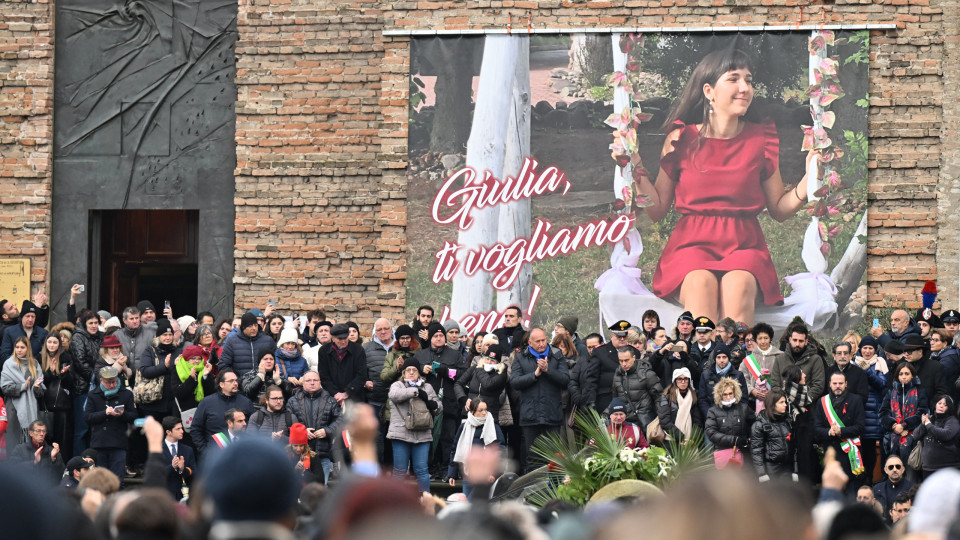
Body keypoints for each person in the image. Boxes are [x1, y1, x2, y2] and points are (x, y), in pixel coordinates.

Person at [627, 48, 816, 324]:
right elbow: (656, 210)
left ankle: (738, 365)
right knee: (701, 286)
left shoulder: (761, 138)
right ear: (708, 90)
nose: (745, 88)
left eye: (749, 80)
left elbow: (778, 209)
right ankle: (701, 365)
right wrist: (634, 167)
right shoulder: (681, 138)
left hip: (744, 245)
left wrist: (806, 183)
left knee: (738, 287)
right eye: (734, 79)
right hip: (691, 245)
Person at [510, 327, 570, 474]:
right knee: (533, 459)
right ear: (530, 343)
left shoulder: (556, 354)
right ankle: (533, 493)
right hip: (531, 416)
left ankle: (553, 491)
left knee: (553, 457)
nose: (542, 344)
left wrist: (549, 370)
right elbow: (515, 382)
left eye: (544, 340)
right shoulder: (521, 357)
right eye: (538, 341)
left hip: (552, 414)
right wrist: (534, 374)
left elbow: (565, 380)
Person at [770, 326, 825, 481]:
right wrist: (787, 401)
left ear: (806, 341)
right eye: (795, 340)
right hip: (783, 416)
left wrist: (802, 400)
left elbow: (818, 386)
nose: (797, 344)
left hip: (806, 416)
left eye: (801, 341)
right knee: (785, 455)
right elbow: (775, 384)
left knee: (804, 456)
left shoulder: (816, 359)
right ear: (789, 340)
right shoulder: (780, 359)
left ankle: (805, 492)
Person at [413, 321, 468, 476]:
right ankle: (429, 468)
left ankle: (446, 469)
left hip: (448, 404)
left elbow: (464, 375)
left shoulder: (454, 355)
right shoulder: (421, 355)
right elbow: (408, 376)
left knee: (448, 438)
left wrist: (447, 371)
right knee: (427, 438)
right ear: (430, 338)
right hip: (425, 406)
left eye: (441, 336)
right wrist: (421, 370)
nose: (439, 338)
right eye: (435, 336)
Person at [387, 360, 441, 493]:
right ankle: (393, 504)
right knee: (399, 471)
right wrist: (415, 391)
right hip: (400, 434)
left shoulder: (427, 387)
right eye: (408, 370)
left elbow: (439, 407)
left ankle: (425, 502)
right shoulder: (397, 385)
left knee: (422, 470)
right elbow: (394, 395)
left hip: (422, 434)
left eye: (414, 370)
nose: (411, 372)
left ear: (419, 373)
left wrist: (433, 405)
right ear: (404, 373)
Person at [286, 371, 343, 484]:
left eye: (315, 380)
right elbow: (288, 421)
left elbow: (341, 420)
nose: (312, 383)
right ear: (302, 383)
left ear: (320, 382)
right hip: (299, 455)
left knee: (321, 490)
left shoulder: (330, 400)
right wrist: (301, 432)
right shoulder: (293, 401)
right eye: (308, 380)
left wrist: (327, 431)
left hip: (322, 453)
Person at [84, 366, 136, 487]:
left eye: (114, 381)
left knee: (118, 481)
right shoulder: (93, 395)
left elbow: (134, 416)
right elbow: (87, 418)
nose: (112, 385)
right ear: (101, 381)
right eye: (108, 383)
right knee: (100, 483)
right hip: (100, 443)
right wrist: (104, 413)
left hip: (119, 443)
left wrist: (123, 414)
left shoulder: (126, 394)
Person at [447, 398, 505, 500]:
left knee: (472, 503)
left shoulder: (493, 426)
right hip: (468, 474)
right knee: (467, 507)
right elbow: (455, 449)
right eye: (481, 410)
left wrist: (493, 473)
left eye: (485, 410)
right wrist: (452, 473)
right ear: (472, 411)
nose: (484, 413)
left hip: (485, 475)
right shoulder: (464, 426)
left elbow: (500, 451)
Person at [815, 372, 866, 487]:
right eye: (835, 383)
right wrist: (829, 432)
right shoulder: (821, 402)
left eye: (841, 383)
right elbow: (817, 429)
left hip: (851, 453)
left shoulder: (856, 400)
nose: (838, 386)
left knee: (852, 490)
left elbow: (860, 427)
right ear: (830, 384)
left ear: (846, 384)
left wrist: (841, 431)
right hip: (831, 453)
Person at [191, 369, 254, 455]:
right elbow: (196, 429)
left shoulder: (246, 402)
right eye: (231, 381)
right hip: (214, 456)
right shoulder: (207, 402)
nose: (235, 383)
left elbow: (253, 428)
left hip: (242, 454)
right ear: (221, 384)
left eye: (236, 380)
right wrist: (205, 452)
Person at [880, 361, 928, 465]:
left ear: (912, 376)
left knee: (910, 474)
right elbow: (883, 413)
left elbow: (923, 412)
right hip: (892, 437)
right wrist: (894, 426)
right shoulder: (891, 391)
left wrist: (905, 425)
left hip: (914, 436)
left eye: (907, 374)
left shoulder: (919, 391)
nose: (904, 377)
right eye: (901, 374)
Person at [69, 309, 102, 456]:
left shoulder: (100, 337)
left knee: (94, 430)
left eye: (96, 323)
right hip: (82, 388)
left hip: (98, 388)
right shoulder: (78, 337)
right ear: (84, 323)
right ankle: (78, 463)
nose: (94, 325)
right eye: (91, 323)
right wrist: (99, 378)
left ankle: (91, 462)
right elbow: (80, 362)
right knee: (82, 430)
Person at [1, 336, 45, 446]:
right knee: (14, 443)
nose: (19, 350)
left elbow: (41, 391)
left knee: (32, 444)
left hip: (32, 409)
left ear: (28, 349)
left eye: (22, 347)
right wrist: (22, 387)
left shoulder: (34, 364)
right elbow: (5, 388)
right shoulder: (9, 364)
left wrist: (36, 387)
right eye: (17, 347)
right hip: (13, 410)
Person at [857, 334, 888, 487]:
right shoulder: (854, 363)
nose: (867, 351)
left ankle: (869, 480)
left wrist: (868, 370)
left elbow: (882, 383)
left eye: (870, 348)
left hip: (873, 414)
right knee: (858, 450)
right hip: (857, 412)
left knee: (870, 450)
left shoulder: (879, 363)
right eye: (865, 348)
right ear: (860, 349)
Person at [137, 318, 181, 421]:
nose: (168, 338)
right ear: (158, 337)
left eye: (170, 335)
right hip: (153, 402)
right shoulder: (150, 351)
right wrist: (164, 366)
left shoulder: (178, 351)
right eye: (165, 335)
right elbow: (145, 371)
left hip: (172, 402)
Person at [609, 345, 662, 427]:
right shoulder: (618, 374)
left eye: (626, 360)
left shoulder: (646, 373)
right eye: (621, 361)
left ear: (633, 358)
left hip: (645, 420)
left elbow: (659, 397)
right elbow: (615, 399)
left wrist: (661, 419)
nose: (624, 364)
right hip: (625, 421)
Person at [316, 323, 367, 405]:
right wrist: (336, 394)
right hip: (332, 398)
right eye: (340, 339)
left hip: (355, 398)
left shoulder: (358, 350)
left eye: (345, 338)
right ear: (333, 338)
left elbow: (361, 375)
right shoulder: (323, 351)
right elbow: (324, 376)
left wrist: (347, 393)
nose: (343, 341)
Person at [39, 333, 72, 455]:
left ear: (59, 344)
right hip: (44, 405)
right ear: (45, 343)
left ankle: (62, 466)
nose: (52, 345)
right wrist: (51, 372)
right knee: (45, 438)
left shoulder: (66, 357)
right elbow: (39, 381)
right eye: (49, 342)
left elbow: (70, 383)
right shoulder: (39, 357)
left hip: (61, 404)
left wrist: (63, 374)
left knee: (62, 439)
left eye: (55, 342)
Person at [456, 344, 509, 420]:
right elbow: (458, 383)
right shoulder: (475, 368)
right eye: (487, 359)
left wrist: (480, 369)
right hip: (470, 412)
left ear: (498, 363)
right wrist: (464, 399)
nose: (489, 362)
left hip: (488, 415)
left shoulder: (501, 373)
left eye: (493, 360)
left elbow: (488, 384)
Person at [750, 390, 794, 480]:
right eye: (781, 402)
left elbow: (794, 447)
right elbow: (756, 451)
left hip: (787, 467)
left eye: (785, 402)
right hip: (770, 469)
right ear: (772, 404)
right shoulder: (759, 424)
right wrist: (762, 474)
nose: (785, 405)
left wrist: (795, 470)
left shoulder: (787, 420)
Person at [705, 376, 754, 456]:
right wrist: (734, 440)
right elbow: (712, 433)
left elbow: (756, 424)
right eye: (725, 394)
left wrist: (750, 438)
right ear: (720, 395)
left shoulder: (744, 408)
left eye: (730, 394)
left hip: (743, 452)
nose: (728, 397)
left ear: (735, 393)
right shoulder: (713, 411)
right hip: (723, 452)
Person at [590, 320, 632, 414]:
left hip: (630, 400)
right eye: (618, 336)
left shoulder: (634, 352)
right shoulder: (600, 352)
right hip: (607, 399)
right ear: (611, 336)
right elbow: (591, 379)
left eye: (624, 336)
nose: (622, 339)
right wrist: (591, 401)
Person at [219, 311, 278, 378]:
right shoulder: (232, 341)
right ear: (243, 327)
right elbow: (223, 365)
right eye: (250, 326)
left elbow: (277, 362)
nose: (254, 328)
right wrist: (236, 380)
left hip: (264, 383)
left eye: (255, 325)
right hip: (240, 384)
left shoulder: (268, 341)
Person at [697, 342, 748, 419]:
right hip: (713, 418)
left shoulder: (738, 375)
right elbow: (702, 400)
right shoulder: (706, 375)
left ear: (728, 358)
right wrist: (710, 416)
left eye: (724, 357)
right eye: (718, 357)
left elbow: (743, 400)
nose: (721, 360)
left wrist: (735, 416)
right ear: (715, 358)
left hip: (734, 418)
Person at [913, 396, 960, 476]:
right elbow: (916, 435)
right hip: (928, 468)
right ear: (935, 405)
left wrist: (928, 424)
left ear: (949, 408)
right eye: (939, 403)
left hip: (947, 469)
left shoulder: (952, 420)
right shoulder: (930, 419)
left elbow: (945, 435)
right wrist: (923, 424)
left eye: (945, 405)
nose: (941, 406)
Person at [739, 322, 783, 408]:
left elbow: (785, 378)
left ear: (770, 339)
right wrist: (752, 391)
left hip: (775, 402)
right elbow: (742, 379)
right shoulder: (748, 360)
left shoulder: (780, 356)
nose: (763, 342)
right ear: (755, 339)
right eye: (760, 338)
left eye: (766, 338)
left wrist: (773, 391)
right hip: (752, 403)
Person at [10, 419, 64, 486]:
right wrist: (34, 462)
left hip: (46, 491)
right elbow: (12, 471)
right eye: (38, 431)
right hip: (25, 489)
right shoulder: (20, 449)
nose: (41, 434)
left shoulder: (52, 451)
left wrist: (53, 459)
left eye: (44, 431)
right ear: (31, 433)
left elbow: (60, 475)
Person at [657, 367, 704, 443]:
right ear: (675, 380)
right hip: (671, 440)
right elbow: (664, 421)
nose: (683, 381)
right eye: (679, 379)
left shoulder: (694, 396)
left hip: (690, 441)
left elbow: (697, 421)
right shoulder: (667, 396)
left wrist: (693, 438)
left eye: (686, 379)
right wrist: (681, 437)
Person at [901, 333, 949, 404]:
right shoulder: (902, 366)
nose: (906, 354)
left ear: (920, 351)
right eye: (904, 351)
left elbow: (941, 392)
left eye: (909, 352)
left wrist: (928, 408)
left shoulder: (935, 367)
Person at [160, 416, 195, 500]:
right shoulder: (157, 450)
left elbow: (195, 474)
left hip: (184, 497)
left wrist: (183, 470)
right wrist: (172, 467)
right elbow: (155, 475)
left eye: (181, 428)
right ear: (169, 432)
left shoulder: (188, 450)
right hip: (164, 498)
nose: (182, 431)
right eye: (178, 429)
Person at [825, 342, 868, 407]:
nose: (842, 356)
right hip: (831, 412)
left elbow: (862, 398)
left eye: (845, 353)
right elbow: (824, 396)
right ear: (834, 356)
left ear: (850, 355)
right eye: (839, 353)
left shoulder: (860, 373)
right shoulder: (827, 372)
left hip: (852, 412)